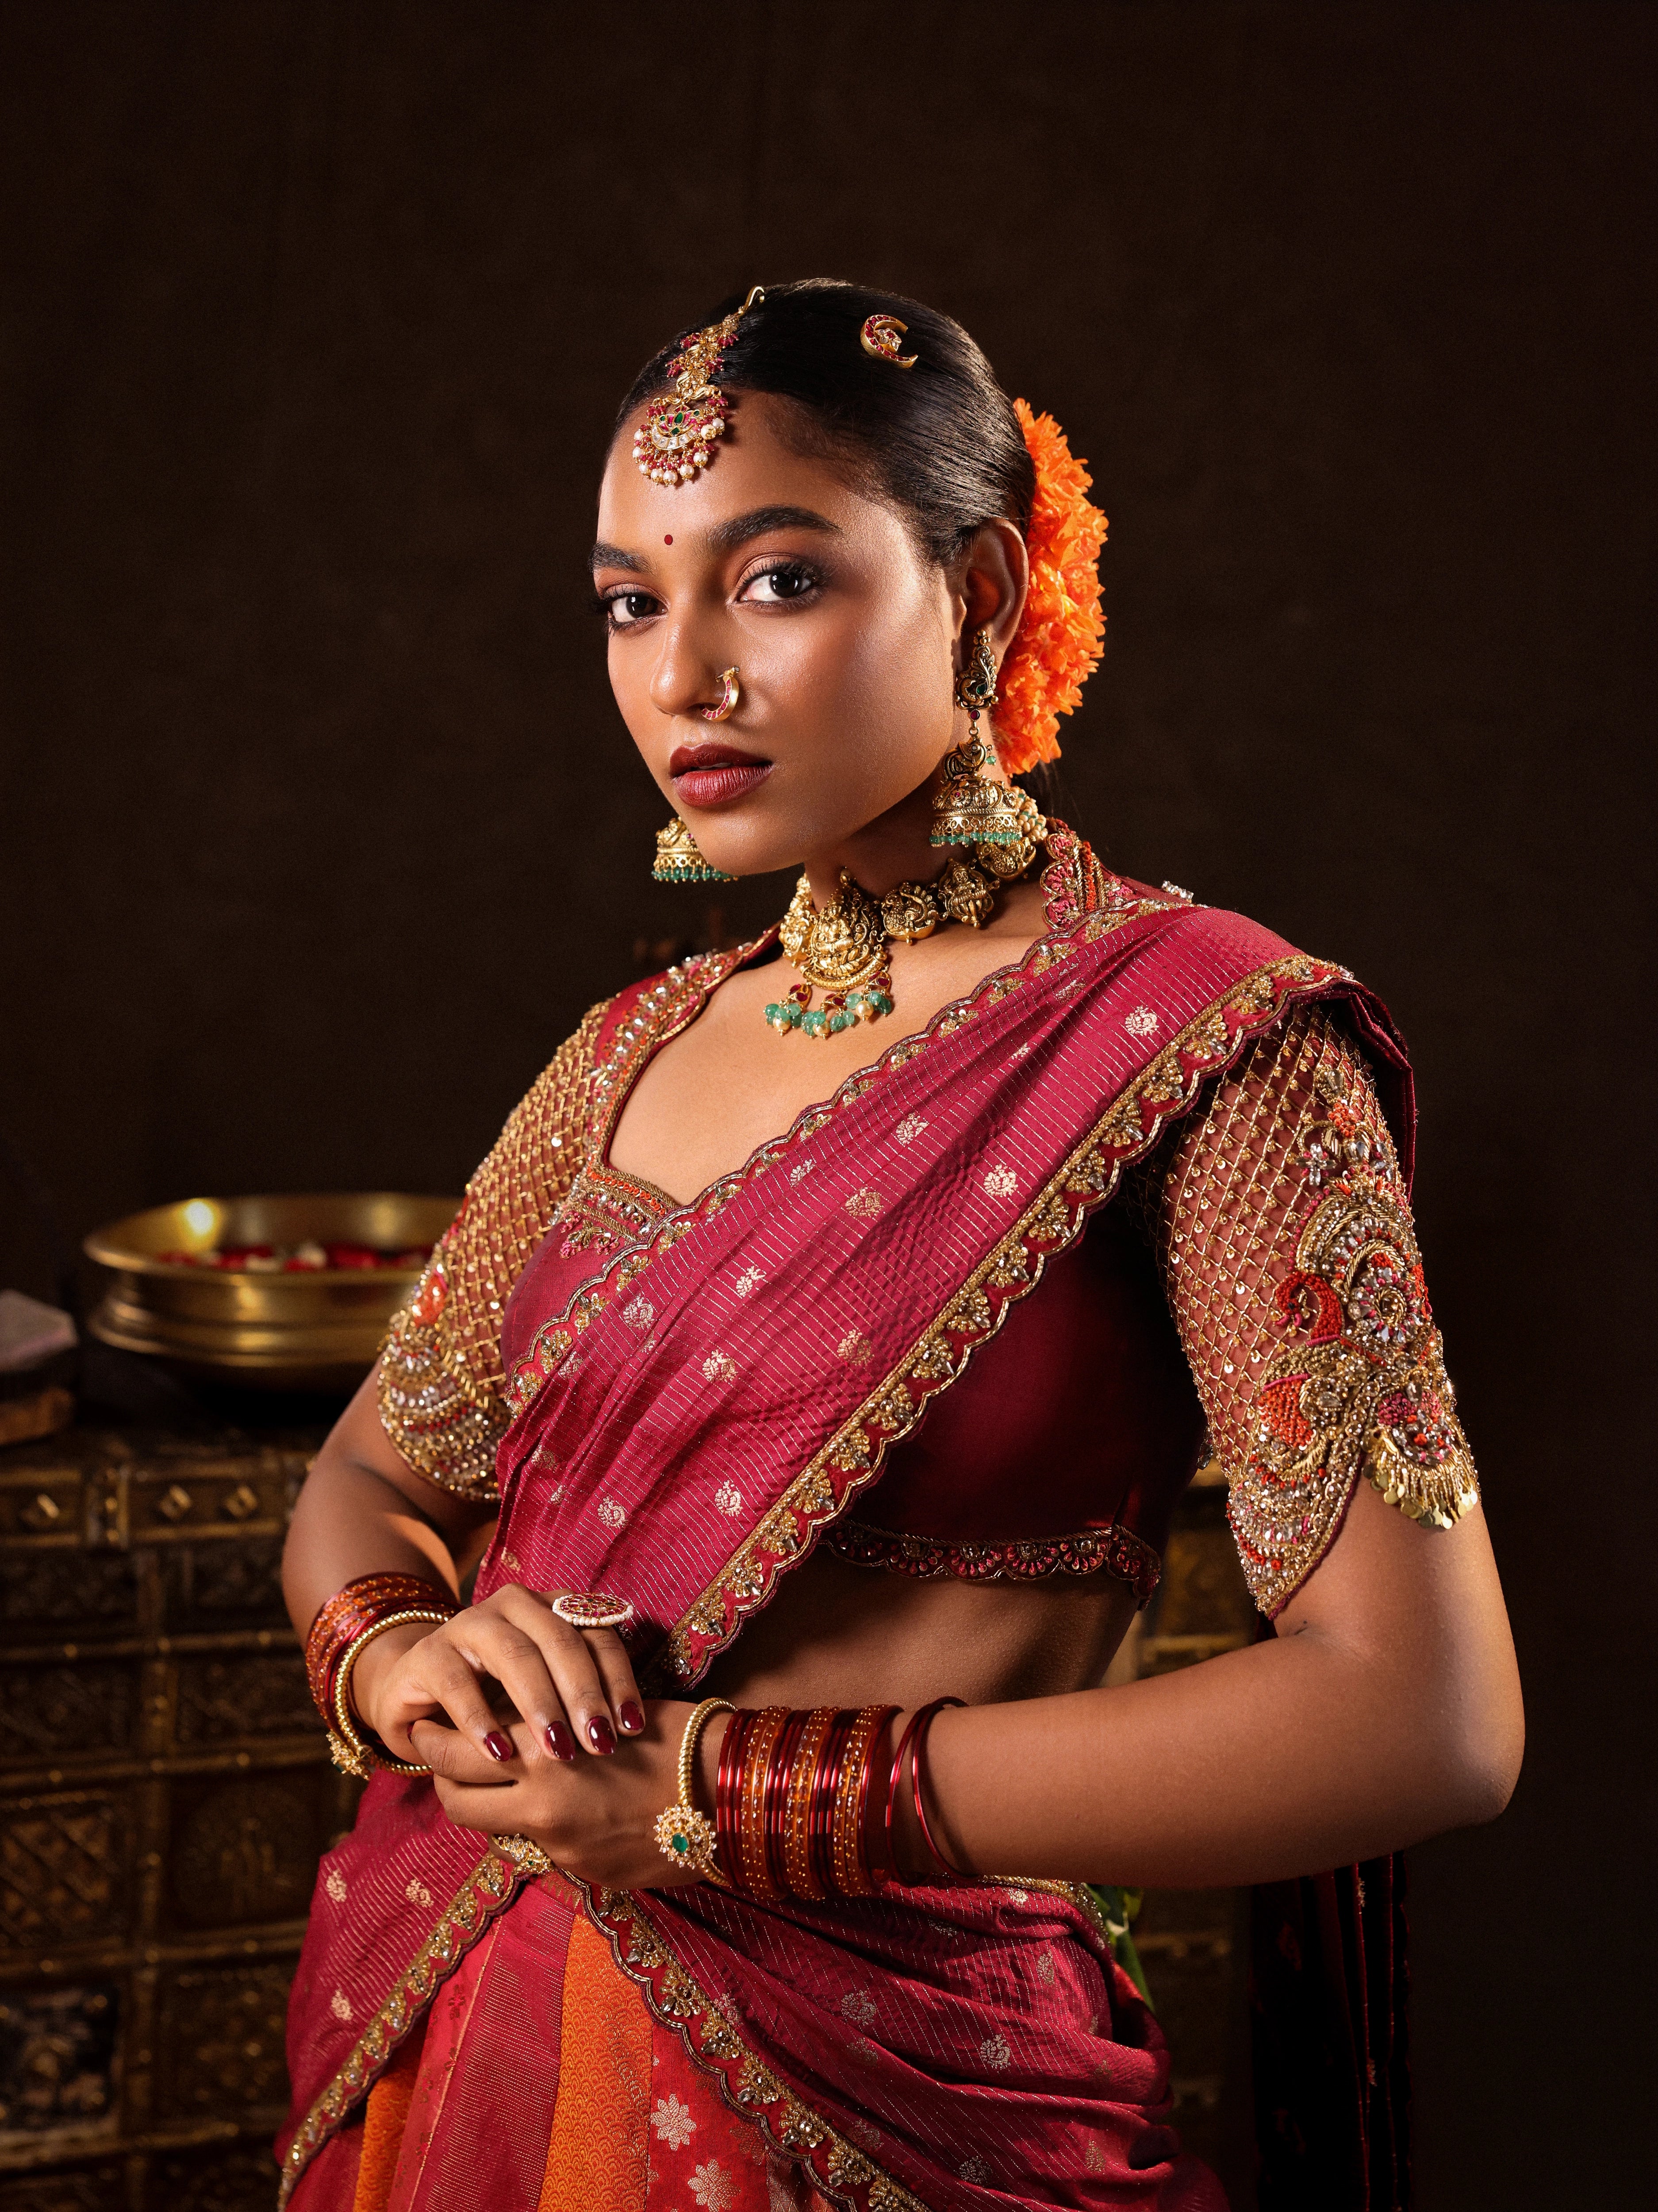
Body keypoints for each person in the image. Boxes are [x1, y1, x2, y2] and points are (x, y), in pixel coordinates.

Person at [278, 280, 1522, 2212]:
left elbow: (1424, 1713)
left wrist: (708, 1796)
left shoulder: (1206, 1044)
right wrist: (406, 1656)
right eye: (631, 598)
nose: (685, 671)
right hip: (473, 2027)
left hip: (907, 2088)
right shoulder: (630, 1051)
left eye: (775, 582)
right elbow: (377, 1467)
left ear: (987, 589)